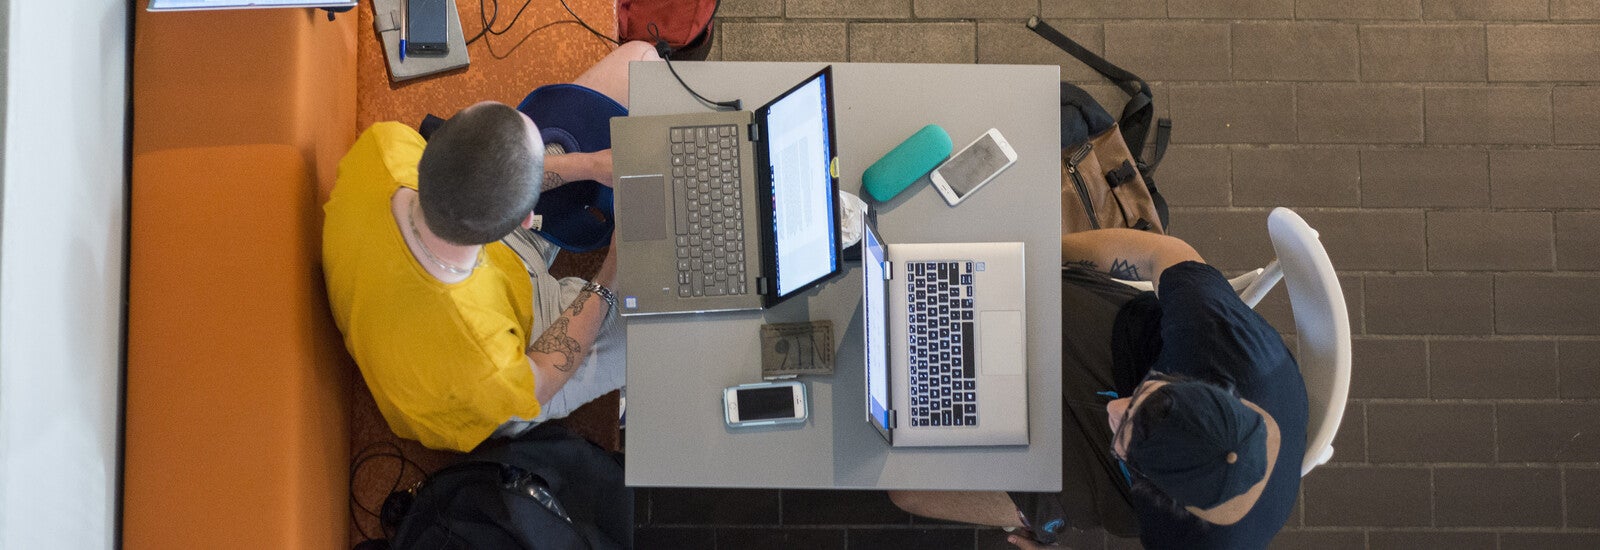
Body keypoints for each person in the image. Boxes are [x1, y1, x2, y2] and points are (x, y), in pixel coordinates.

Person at [322, 41, 662, 453]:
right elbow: (540, 378)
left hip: (481, 258)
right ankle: (621, 398)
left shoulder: (384, 146)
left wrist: (587, 164)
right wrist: (612, 270)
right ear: (526, 219)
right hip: (522, 356)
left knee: (640, 59)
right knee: (666, 300)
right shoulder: (485, 358)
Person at [888, 229, 1308, 549]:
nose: (1113, 408)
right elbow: (1160, 251)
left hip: (1109, 485)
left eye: (1122, 430)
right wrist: (1048, 249)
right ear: (1208, 386)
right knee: (994, 290)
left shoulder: (1193, 542)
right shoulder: (1218, 337)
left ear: (1162, 492)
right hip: (1123, 344)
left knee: (909, 489)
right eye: (1148, 393)